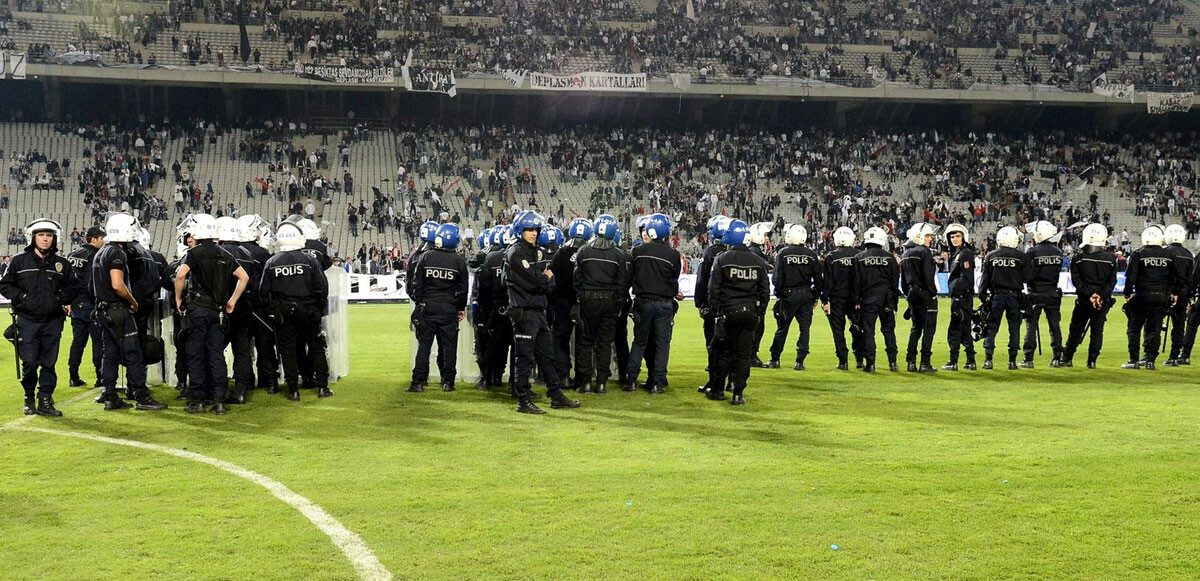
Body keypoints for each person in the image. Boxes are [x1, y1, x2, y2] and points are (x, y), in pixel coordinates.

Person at [502, 211, 580, 414]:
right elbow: (536, 281)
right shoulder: (514, 254)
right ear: (520, 230)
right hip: (524, 313)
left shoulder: (538, 253)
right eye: (529, 229)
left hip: (539, 311)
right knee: (524, 359)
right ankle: (523, 401)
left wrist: (542, 279)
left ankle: (555, 395)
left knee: (547, 357)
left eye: (536, 229)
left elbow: (549, 282)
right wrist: (542, 279)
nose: (534, 233)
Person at [89, 213, 168, 411]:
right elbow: (118, 284)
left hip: (103, 310)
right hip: (118, 310)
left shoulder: (101, 251)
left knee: (111, 354)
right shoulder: (118, 253)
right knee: (133, 353)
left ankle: (110, 395)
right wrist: (132, 301)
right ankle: (141, 397)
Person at [0, 218, 78, 416]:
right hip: (27, 320)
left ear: (55, 239)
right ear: (33, 238)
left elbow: (73, 287)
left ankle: (45, 399)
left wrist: (60, 298)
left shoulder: (62, 264)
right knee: (30, 362)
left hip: (53, 321)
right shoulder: (18, 261)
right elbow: (5, 285)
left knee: (49, 363)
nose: (45, 239)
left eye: (49, 236)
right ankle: (28, 397)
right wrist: (23, 296)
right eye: (41, 235)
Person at [174, 214, 250, 414]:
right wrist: (232, 300)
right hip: (218, 311)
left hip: (198, 310)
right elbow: (244, 277)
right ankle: (219, 400)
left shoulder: (194, 253)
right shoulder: (225, 253)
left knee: (196, 354)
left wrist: (178, 298)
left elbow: (180, 275)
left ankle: (198, 400)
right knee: (217, 355)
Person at [261, 222, 331, 400]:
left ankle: (293, 390)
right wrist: (316, 306)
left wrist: (274, 310)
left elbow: (263, 293)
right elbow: (322, 288)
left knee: (288, 351)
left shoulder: (271, 262)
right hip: (308, 311)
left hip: (284, 314)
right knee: (317, 348)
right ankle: (322, 387)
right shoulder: (310, 261)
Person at [704, 220, 769, 405]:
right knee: (743, 355)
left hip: (728, 312)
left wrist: (716, 311)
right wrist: (758, 312)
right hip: (749, 314)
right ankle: (738, 393)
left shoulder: (722, 259)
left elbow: (713, 290)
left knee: (723, 352)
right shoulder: (758, 261)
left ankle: (717, 390)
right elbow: (765, 291)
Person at [624, 213, 681, 394]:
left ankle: (631, 380)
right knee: (662, 344)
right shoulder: (673, 255)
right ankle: (657, 383)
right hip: (664, 305)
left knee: (639, 342)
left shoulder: (638, 252)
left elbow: (631, 276)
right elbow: (675, 277)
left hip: (643, 302)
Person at [408, 223, 469, 393]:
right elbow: (463, 290)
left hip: (428, 308)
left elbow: (416, 284)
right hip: (449, 309)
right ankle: (448, 382)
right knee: (449, 348)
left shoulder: (425, 257)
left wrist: (420, 303)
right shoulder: (459, 260)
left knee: (424, 347)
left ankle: (417, 382)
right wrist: (460, 308)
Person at [573, 214, 629, 394]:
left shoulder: (584, 251)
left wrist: (581, 296)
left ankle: (585, 382)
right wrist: (618, 304)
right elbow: (622, 284)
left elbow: (577, 279)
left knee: (585, 341)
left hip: (588, 301)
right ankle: (602, 383)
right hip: (609, 301)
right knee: (605, 343)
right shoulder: (618, 255)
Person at [1121, 226, 1185, 370]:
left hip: (1142, 296)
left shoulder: (1138, 254)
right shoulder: (1168, 255)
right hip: (1161, 297)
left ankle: (1134, 360)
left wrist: (1127, 294)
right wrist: (1174, 293)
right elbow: (1178, 277)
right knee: (1154, 329)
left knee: (1134, 328)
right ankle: (1150, 360)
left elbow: (1131, 277)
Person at [1061, 224, 1118, 368]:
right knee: (1097, 331)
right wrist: (1100, 295)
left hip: (1084, 300)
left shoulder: (1079, 258)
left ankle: (1067, 358)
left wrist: (1089, 295)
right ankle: (1092, 361)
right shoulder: (1111, 259)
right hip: (1102, 301)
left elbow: (1076, 280)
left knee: (1076, 330)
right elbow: (1112, 282)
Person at [768, 224, 821, 370]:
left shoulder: (783, 253)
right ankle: (800, 361)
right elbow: (818, 279)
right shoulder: (812, 255)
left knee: (782, 328)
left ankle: (775, 359)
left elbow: (777, 277)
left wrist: (779, 294)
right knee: (805, 330)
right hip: (806, 296)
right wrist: (815, 296)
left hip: (788, 296)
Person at [216, 217, 257, 403]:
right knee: (242, 348)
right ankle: (241, 389)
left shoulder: (219, 252)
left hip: (221, 307)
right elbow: (253, 282)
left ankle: (221, 387)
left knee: (216, 348)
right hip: (244, 306)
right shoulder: (247, 253)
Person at [237, 214, 279, 393]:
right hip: (260, 307)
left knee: (243, 347)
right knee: (265, 345)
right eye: (257, 228)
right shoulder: (262, 253)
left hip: (240, 307)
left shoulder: (232, 251)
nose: (260, 232)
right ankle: (269, 381)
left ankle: (245, 382)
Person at [979, 226, 1031, 370]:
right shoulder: (1021, 256)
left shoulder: (991, 255)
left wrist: (983, 297)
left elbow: (984, 279)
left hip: (997, 296)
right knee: (1014, 328)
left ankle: (988, 360)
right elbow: (1028, 277)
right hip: (1014, 296)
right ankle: (1012, 361)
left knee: (992, 328)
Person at [852, 227, 900, 373]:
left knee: (868, 331)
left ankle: (870, 363)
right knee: (889, 331)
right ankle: (893, 362)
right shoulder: (889, 257)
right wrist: (893, 299)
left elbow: (856, 282)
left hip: (868, 299)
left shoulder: (859, 257)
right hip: (886, 299)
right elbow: (895, 280)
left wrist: (856, 301)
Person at [550, 218, 591, 388]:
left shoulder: (561, 252)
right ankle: (584, 379)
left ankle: (563, 376)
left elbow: (553, 279)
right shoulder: (589, 252)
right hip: (583, 304)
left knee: (560, 339)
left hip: (562, 303)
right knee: (584, 341)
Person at [1020, 221, 1065, 367]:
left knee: (1031, 326)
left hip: (1035, 294)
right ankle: (1057, 357)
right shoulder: (1058, 252)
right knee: (1054, 326)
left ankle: (1028, 359)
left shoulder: (1032, 252)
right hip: (1052, 293)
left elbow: (1027, 275)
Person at [65, 226, 105, 388]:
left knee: (78, 342)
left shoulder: (72, 255)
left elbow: (66, 282)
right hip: (90, 304)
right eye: (101, 238)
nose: (104, 241)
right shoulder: (96, 255)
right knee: (98, 341)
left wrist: (69, 301)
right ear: (93, 239)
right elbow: (92, 283)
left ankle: (73, 376)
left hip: (75, 304)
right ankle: (99, 377)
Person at [477, 226, 515, 390]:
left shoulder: (491, 258)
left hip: (495, 309)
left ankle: (487, 378)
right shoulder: (518, 256)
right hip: (515, 308)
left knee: (492, 345)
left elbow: (484, 287)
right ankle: (505, 379)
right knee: (515, 347)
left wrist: (485, 311)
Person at [822, 226, 864, 370]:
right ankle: (859, 359)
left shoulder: (831, 257)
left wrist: (824, 300)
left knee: (838, 330)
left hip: (837, 298)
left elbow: (827, 282)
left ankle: (843, 361)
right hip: (855, 298)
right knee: (858, 328)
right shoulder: (859, 255)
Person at [695, 216, 729, 391]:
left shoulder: (710, 253)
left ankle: (714, 380)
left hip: (713, 306)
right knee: (732, 345)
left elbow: (702, 281)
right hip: (732, 306)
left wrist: (700, 303)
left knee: (713, 344)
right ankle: (731, 381)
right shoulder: (737, 253)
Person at [901, 223, 939, 373]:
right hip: (925, 295)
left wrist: (908, 294)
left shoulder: (905, 254)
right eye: (928, 236)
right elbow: (928, 276)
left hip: (912, 294)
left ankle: (910, 362)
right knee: (928, 330)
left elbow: (903, 280)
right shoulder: (925, 252)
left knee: (915, 328)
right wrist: (933, 293)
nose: (930, 239)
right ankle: (925, 363)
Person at [941, 223, 977, 370]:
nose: (954, 239)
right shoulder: (958, 253)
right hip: (962, 297)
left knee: (955, 330)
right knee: (964, 330)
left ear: (963, 237)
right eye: (952, 236)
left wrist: (956, 294)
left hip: (961, 298)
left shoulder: (965, 253)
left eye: (957, 236)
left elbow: (966, 278)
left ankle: (953, 361)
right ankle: (970, 360)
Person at [1163, 224, 1195, 366]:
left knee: (1154, 323)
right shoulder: (1188, 254)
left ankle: (1148, 355)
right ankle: (1174, 356)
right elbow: (1190, 278)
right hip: (1183, 294)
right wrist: (1189, 295)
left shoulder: (1165, 253)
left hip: (1166, 293)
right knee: (1179, 326)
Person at [746, 223, 774, 367]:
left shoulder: (754, 251)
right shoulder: (755, 252)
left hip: (753, 297)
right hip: (755, 298)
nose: (767, 238)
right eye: (765, 235)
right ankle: (751, 356)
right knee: (757, 328)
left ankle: (751, 355)